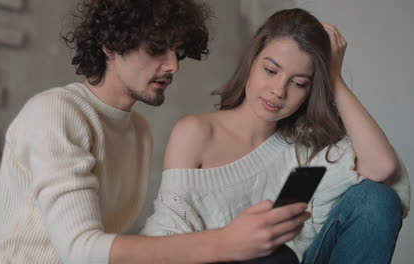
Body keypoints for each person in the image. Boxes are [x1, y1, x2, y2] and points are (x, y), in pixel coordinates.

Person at [0, 1, 320, 264]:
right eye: (156, 49)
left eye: (178, 52)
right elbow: (80, 249)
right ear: (110, 44)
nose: (173, 65)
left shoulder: (138, 130)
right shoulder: (56, 112)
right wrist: (227, 241)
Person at [141, 8, 410, 264]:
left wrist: (333, 76)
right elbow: (168, 231)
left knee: (377, 198)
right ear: (251, 62)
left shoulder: (306, 146)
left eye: (298, 83)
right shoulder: (196, 133)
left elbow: (382, 167)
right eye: (271, 70)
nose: (279, 91)